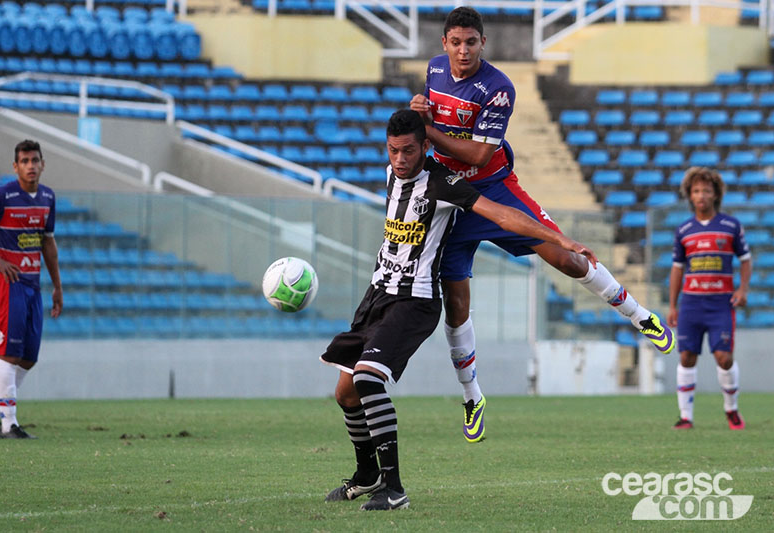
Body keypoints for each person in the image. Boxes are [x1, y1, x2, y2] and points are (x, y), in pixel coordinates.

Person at [410, 6, 674, 443]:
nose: (462, 50)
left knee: (567, 259)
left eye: (470, 42)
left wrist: (425, 129)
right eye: (455, 42)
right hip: (452, 199)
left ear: (483, 43)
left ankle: (639, 315)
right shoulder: (435, 70)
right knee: (455, 305)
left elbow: (477, 155)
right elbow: (434, 126)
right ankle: (473, 396)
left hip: (493, 188)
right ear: (444, 44)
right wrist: (421, 112)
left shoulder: (497, 87)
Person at [321, 109, 598, 510]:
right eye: (394, 151)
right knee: (346, 393)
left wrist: (559, 239)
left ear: (426, 147)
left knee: (367, 381)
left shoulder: (442, 183)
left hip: (413, 301)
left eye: (409, 151)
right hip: (376, 296)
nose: (400, 159)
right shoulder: (391, 174)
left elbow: (503, 215)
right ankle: (366, 477)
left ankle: (393, 490)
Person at [0, 139, 62, 439]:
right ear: (15, 166)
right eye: (24, 161)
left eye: (35, 160)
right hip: (8, 285)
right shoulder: (1, 195)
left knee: (28, 357)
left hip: (33, 286)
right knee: (9, 355)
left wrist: (57, 287)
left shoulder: (48, 197)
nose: (30, 166)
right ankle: (8, 423)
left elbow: (48, 243)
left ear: (42, 164)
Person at [667, 167, 750, 430]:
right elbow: (677, 268)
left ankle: (732, 410)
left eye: (706, 190)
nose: (701, 195)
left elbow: (745, 261)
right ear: (689, 196)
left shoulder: (730, 226)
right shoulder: (684, 230)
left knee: (724, 358)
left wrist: (743, 290)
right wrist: (672, 305)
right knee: (686, 357)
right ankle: (686, 416)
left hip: (720, 304)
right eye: (696, 191)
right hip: (691, 304)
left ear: (715, 194)